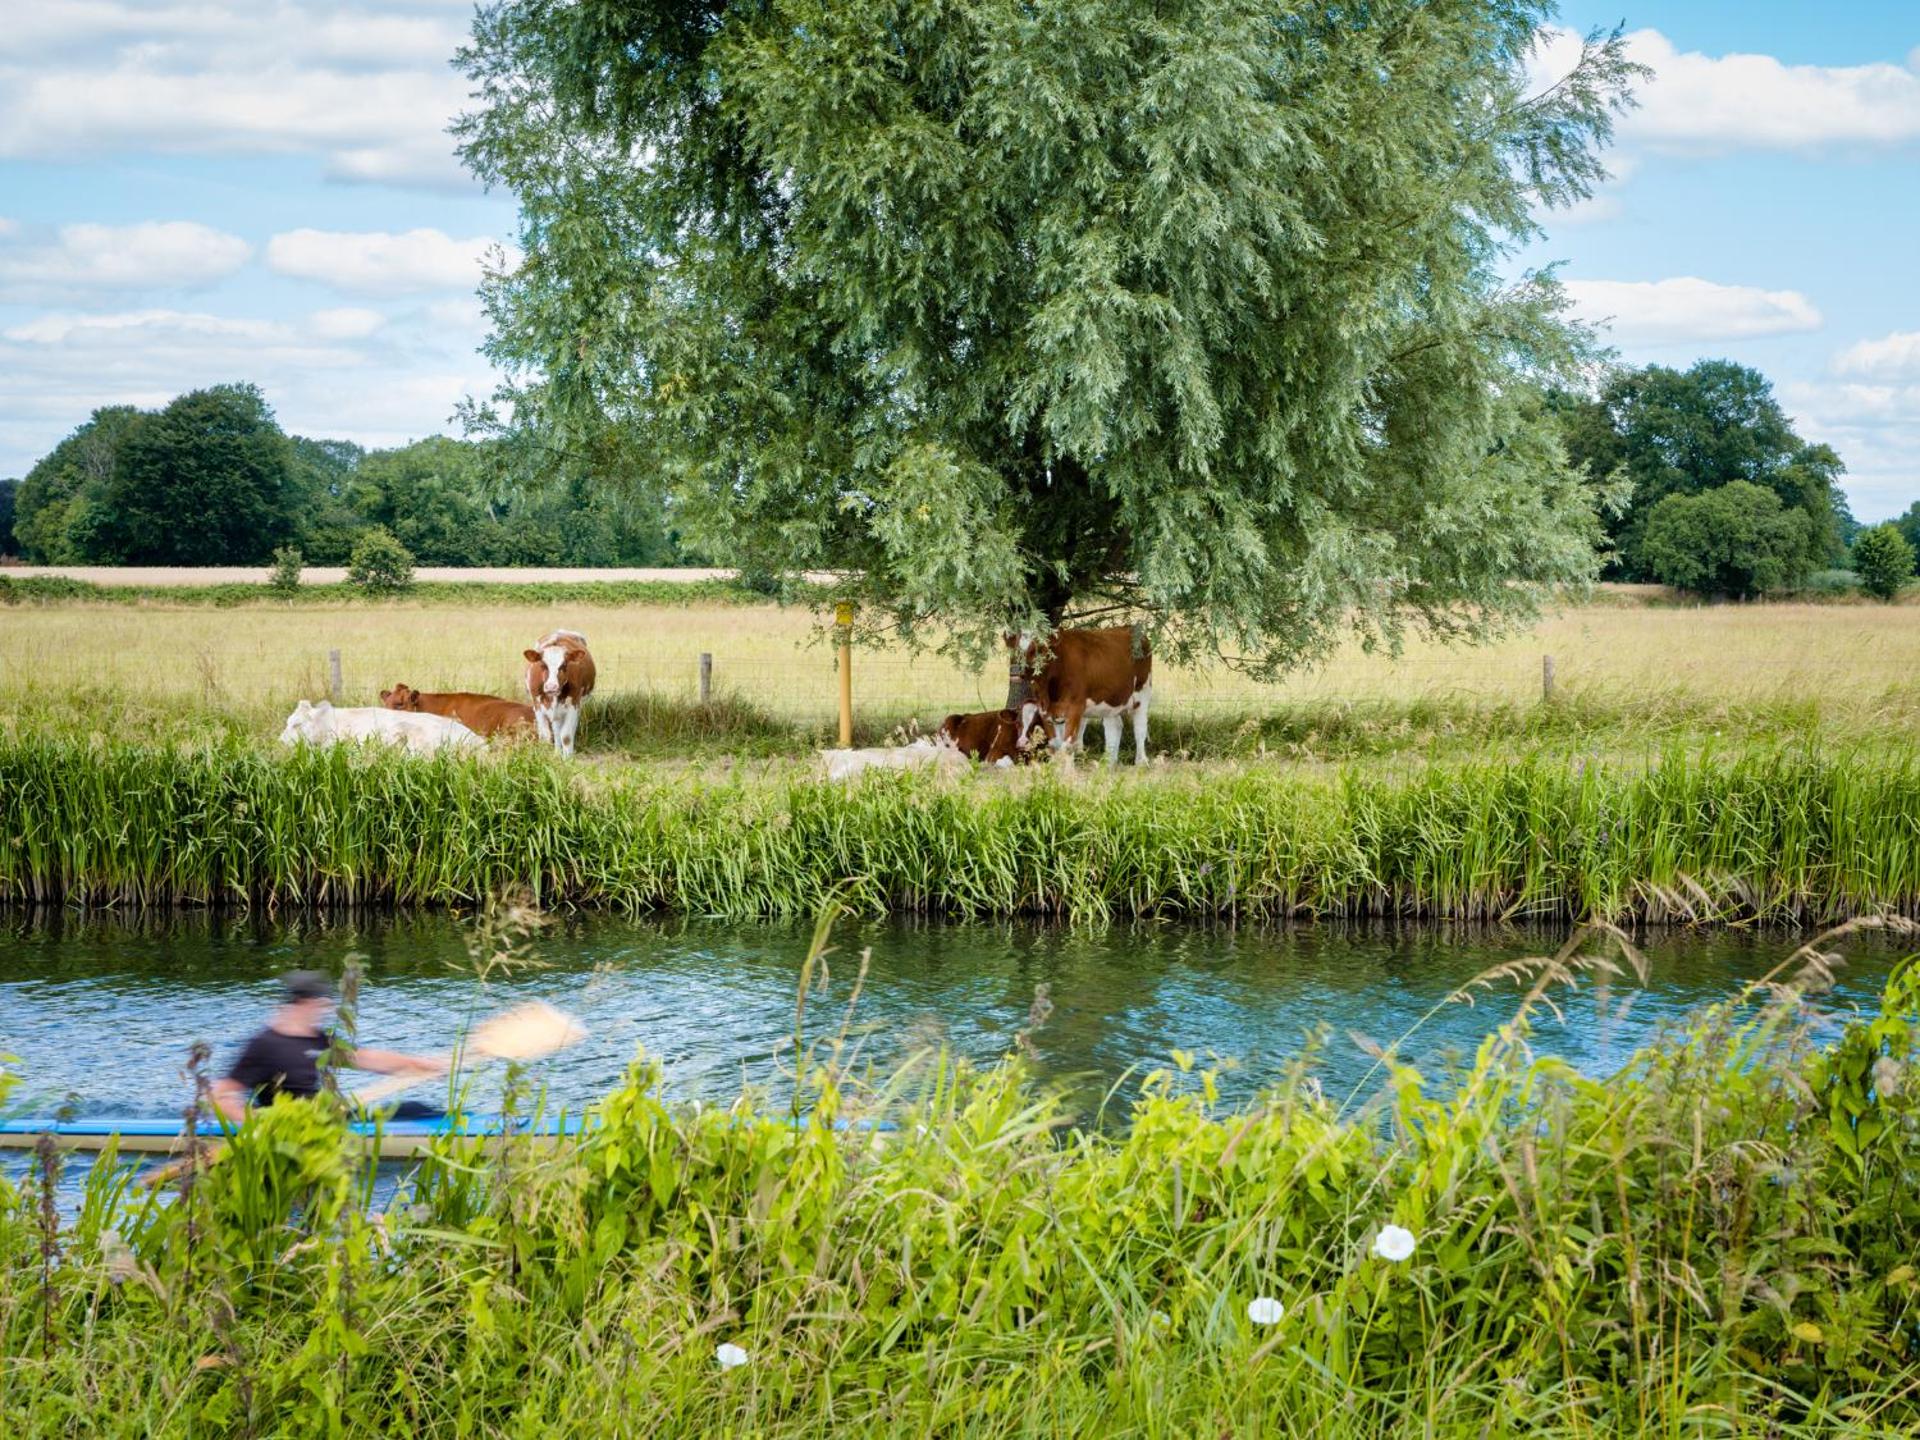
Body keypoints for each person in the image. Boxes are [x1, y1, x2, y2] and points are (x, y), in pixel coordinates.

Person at [212, 970, 447, 1125]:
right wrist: (254, 1123)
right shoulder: (264, 1046)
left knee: (417, 1109)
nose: (325, 1010)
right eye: (321, 1004)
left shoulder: (317, 1039)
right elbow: (221, 1094)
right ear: (303, 1003)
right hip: (290, 1126)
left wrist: (418, 1064)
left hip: (327, 1117)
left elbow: (364, 1059)